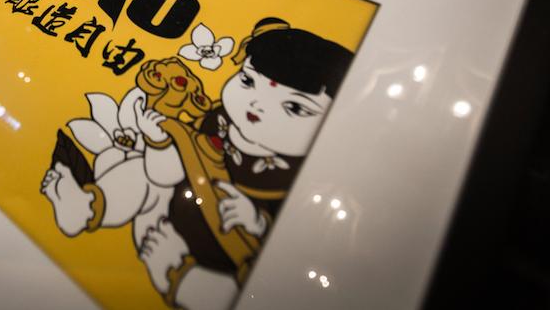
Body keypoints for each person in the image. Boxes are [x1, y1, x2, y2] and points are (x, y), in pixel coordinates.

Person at [41, 18, 353, 309]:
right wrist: (158, 140)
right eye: (247, 80)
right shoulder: (220, 121)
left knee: (223, 287)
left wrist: (256, 223)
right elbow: (169, 171)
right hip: (166, 212)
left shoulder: (302, 174)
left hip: (206, 251)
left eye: (295, 108)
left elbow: (299, 241)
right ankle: (89, 206)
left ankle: (176, 272)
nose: (256, 104)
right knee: (139, 167)